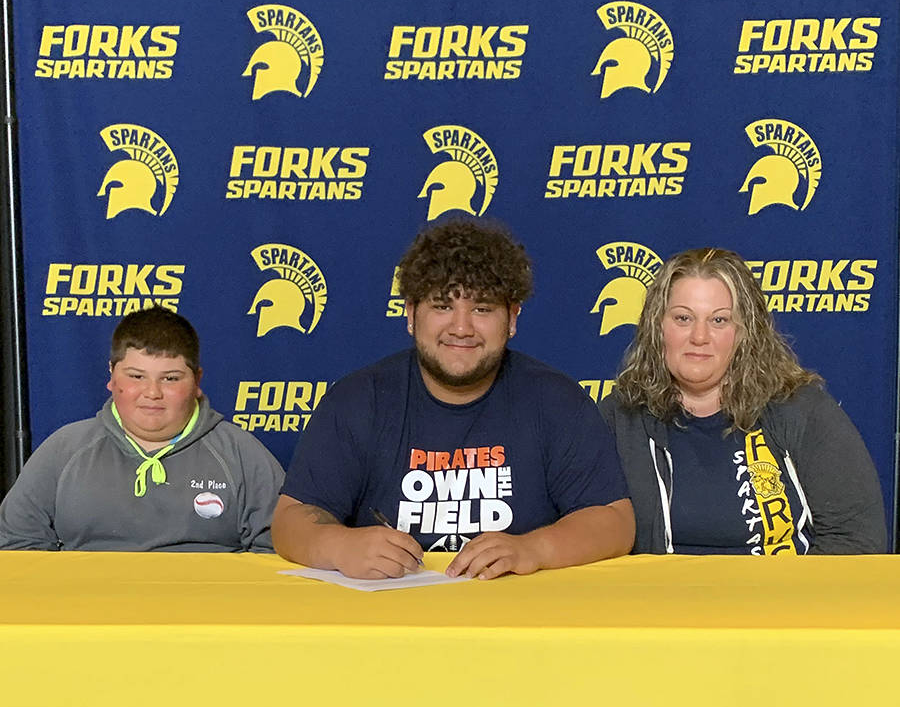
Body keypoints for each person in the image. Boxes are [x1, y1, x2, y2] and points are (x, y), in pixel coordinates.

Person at [273, 218, 634, 578]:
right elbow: (291, 518)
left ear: (512, 318)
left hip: (517, 618)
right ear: (411, 314)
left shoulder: (556, 401)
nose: (461, 328)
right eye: (443, 306)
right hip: (390, 618)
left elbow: (614, 520)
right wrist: (339, 546)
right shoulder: (358, 400)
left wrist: (533, 549)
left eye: (482, 309)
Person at [601, 247, 887, 555]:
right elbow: (584, 527)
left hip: (780, 599)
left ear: (745, 332)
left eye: (719, 320)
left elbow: (857, 540)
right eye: (683, 318)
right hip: (658, 599)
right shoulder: (619, 416)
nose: (700, 336)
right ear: (657, 326)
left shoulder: (800, 408)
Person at [0, 306, 284, 551]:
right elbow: (17, 544)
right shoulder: (64, 450)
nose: (152, 393)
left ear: (196, 382)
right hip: (88, 609)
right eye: (136, 376)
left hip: (203, 610)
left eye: (170, 379)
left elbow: (281, 549)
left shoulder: (240, 453)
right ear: (112, 376)